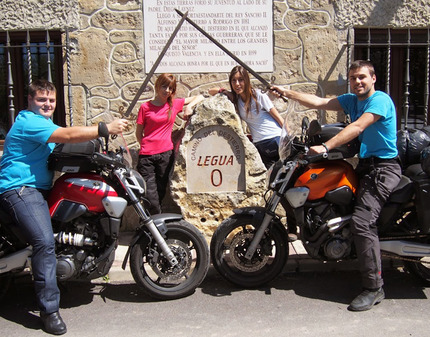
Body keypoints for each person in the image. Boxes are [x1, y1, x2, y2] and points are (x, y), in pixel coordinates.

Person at [0, 79, 128, 335]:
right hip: (20, 188)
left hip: (38, 189)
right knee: (44, 242)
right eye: (41, 99)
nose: (47, 104)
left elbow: (67, 145)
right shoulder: (29, 122)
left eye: (51, 100)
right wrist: (104, 127)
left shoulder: (45, 124)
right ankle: (49, 311)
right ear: (29, 101)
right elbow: (69, 134)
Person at [272, 60, 401, 311]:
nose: (358, 82)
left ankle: (374, 288)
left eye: (362, 77)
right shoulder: (352, 99)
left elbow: (358, 126)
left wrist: (326, 147)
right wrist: (286, 93)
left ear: (373, 79)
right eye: (353, 78)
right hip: (365, 165)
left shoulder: (380, 100)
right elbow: (319, 102)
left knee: (363, 221)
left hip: (384, 168)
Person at [135, 73, 204, 214]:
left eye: (170, 88)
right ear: (157, 86)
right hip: (147, 158)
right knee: (150, 196)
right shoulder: (145, 107)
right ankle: (154, 229)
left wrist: (189, 107)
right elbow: (138, 133)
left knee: (160, 193)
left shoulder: (173, 104)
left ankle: (152, 230)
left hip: (165, 155)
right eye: (164, 86)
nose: (167, 90)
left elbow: (200, 96)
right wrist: (147, 146)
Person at [209, 65, 284, 169]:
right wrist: (224, 91)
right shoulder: (236, 99)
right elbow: (211, 91)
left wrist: (289, 137)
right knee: (270, 181)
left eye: (241, 80)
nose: (237, 84)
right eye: (234, 81)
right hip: (260, 145)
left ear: (246, 80)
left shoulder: (258, 96)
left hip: (275, 139)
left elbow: (279, 118)